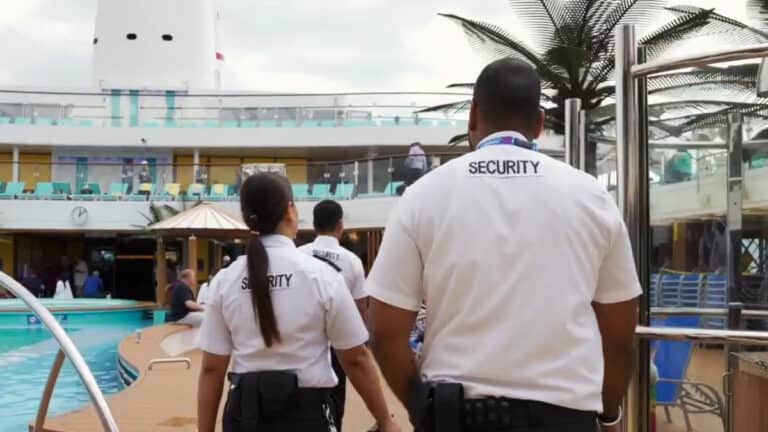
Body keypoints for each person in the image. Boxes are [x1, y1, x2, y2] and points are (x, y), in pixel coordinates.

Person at [366, 58, 641, 432]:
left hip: (457, 417)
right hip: (564, 417)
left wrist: (423, 411)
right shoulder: (591, 196)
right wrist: (608, 415)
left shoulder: (423, 196)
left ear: (473, 115)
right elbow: (620, 336)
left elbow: (385, 333)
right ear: (539, 123)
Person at [197, 173, 399, 432]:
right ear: (290, 211)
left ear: (247, 218)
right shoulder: (322, 276)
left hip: (244, 415)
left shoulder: (225, 280)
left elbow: (212, 369)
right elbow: (356, 359)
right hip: (306, 414)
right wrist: (385, 420)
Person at [299, 199, 369, 430]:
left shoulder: (298, 255)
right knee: (336, 402)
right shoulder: (353, 262)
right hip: (339, 344)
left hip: (302, 341)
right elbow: (360, 309)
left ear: (314, 225)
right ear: (340, 225)